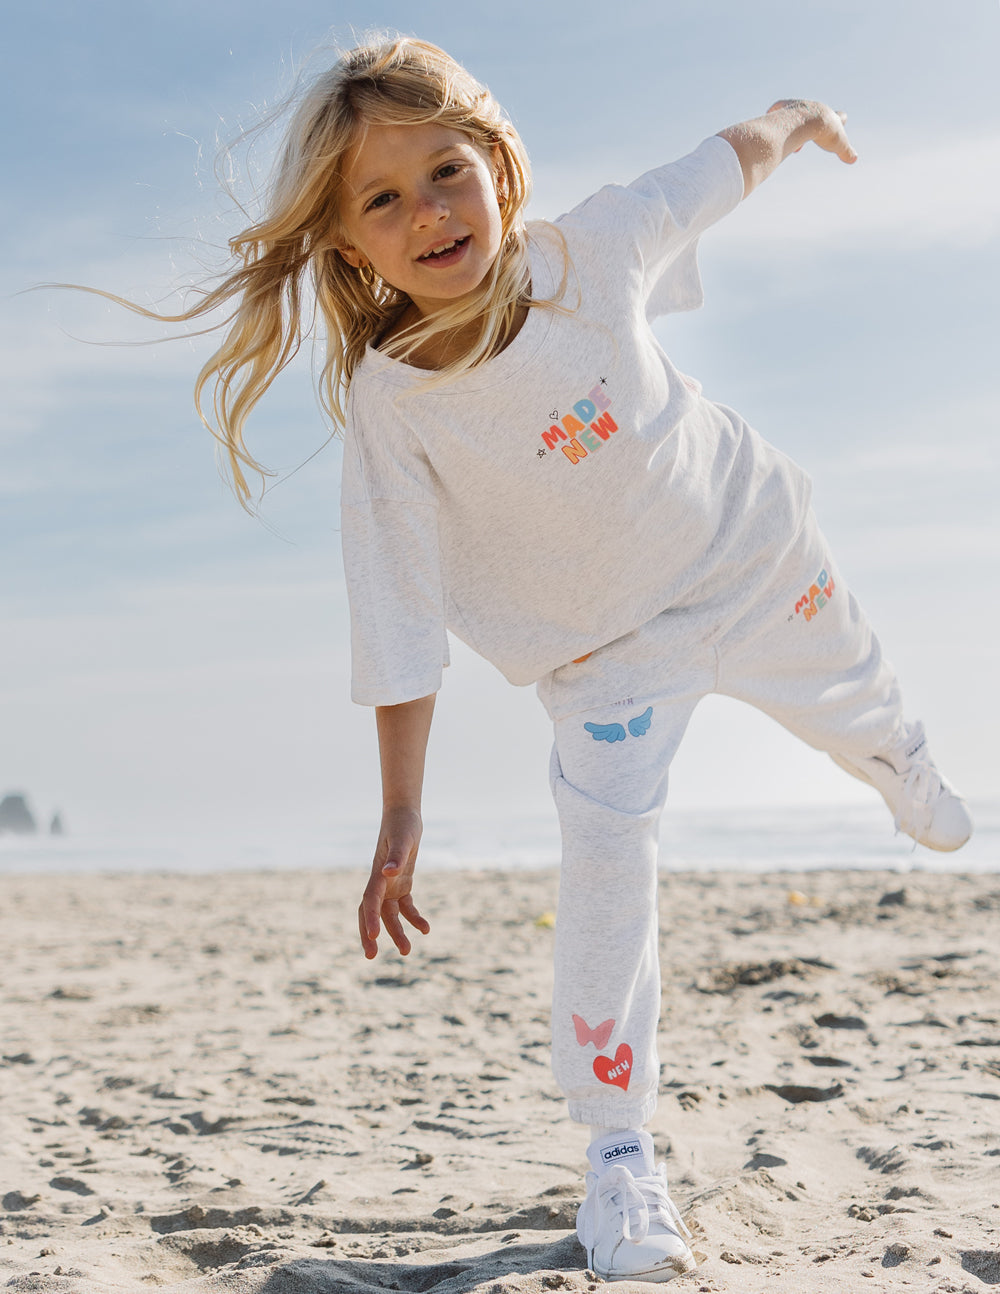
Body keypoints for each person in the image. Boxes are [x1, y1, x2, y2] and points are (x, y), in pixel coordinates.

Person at [112, 36, 973, 1284]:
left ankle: (901, 759)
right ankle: (619, 1153)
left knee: (856, 695)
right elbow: (397, 612)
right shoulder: (395, 408)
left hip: (749, 554)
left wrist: (794, 115)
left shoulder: (593, 251)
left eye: (445, 172)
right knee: (606, 878)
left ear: (498, 167)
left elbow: (716, 166)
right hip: (606, 665)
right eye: (383, 200)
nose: (428, 214)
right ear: (349, 246)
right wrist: (401, 808)